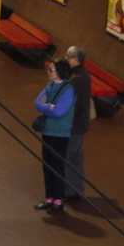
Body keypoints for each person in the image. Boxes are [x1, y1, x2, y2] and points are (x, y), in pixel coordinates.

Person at [33, 60, 77, 214]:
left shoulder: (68, 89)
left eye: (51, 70)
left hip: (60, 134)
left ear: (59, 72)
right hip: (48, 131)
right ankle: (49, 198)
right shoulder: (50, 85)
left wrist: (48, 109)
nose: (49, 72)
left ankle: (58, 200)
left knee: (57, 167)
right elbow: (37, 102)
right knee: (47, 166)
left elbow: (59, 112)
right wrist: (48, 107)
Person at [61, 44, 93, 202]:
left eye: (68, 56)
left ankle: (70, 190)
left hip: (74, 125)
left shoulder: (77, 79)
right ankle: (76, 188)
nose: (66, 58)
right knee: (75, 157)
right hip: (79, 124)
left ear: (76, 59)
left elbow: (75, 105)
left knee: (70, 157)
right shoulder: (80, 76)